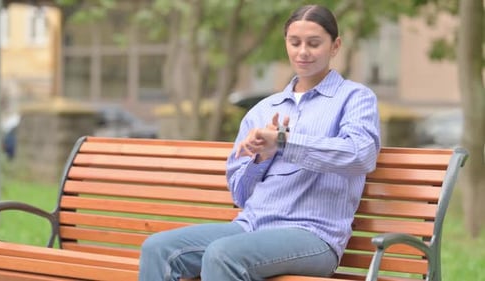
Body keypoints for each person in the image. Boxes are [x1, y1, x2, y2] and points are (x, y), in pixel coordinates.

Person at [139, 4, 381, 281]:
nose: (303, 51)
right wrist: (262, 159)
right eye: (295, 42)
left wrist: (283, 142)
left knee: (223, 254)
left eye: (314, 43)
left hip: (313, 235)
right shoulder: (264, 110)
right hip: (251, 226)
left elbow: (361, 155)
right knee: (158, 249)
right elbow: (240, 196)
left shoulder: (354, 98)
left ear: (335, 46)